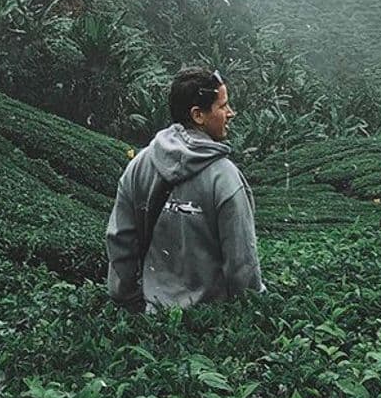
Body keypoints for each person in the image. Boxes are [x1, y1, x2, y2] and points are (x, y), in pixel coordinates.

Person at [106, 68, 263, 311]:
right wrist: (253, 314)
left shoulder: (139, 165)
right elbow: (242, 264)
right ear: (198, 115)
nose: (231, 113)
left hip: (152, 318)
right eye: (223, 106)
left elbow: (120, 239)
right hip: (212, 326)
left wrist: (127, 301)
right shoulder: (226, 178)